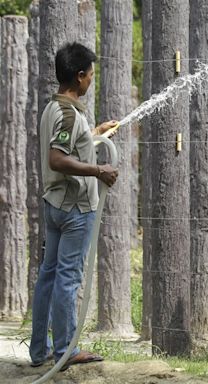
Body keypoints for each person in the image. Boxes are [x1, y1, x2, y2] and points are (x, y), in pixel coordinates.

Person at [30, 42, 119, 371]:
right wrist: (100, 170)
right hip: (75, 209)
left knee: (49, 277)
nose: (92, 80)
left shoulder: (55, 108)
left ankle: (40, 350)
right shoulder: (69, 113)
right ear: (79, 77)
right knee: (68, 279)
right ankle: (66, 350)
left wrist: (94, 134)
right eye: (91, 75)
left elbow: (67, 144)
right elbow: (57, 157)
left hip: (54, 204)